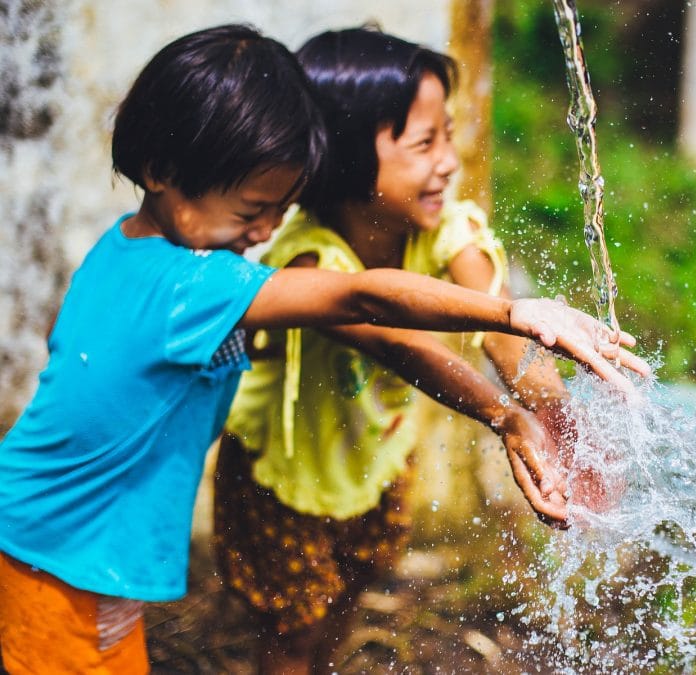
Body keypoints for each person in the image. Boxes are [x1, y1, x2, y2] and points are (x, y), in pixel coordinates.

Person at [0, 24, 647, 675]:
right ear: (163, 172)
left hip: (76, 547)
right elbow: (363, 299)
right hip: (54, 553)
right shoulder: (190, 284)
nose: (262, 232)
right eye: (252, 209)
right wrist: (512, 312)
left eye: (277, 210)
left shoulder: (127, 252)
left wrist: (529, 409)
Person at [213, 25, 623, 674]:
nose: (449, 161)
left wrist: (560, 419)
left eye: (449, 135)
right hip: (285, 474)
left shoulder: (446, 227)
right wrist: (504, 417)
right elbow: (403, 344)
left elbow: (503, 335)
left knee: (348, 596)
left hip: (377, 457)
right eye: (424, 142)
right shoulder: (310, 261)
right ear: (347, 158)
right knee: (292, 632)